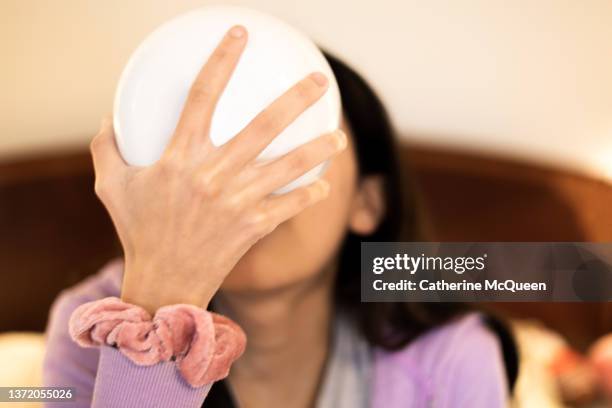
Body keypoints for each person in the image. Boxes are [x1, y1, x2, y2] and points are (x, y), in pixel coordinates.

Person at [43, 25, 514, 407]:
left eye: (290, 141)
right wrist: (156, 305)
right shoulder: (90, 328)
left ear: (366, 204)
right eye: (221, 148)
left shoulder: (452, 356)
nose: (242, 180)